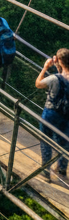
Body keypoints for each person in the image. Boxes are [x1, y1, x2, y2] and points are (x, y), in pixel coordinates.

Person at [35, 48, 69, 182]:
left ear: (59, 61)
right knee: (64, 142)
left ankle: (45, 173)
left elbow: (38, 84)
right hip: (66, 115)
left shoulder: (55, 78)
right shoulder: (60, 75)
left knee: (46, 140)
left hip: (50, 113)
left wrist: (45, 67)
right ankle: (61, 169)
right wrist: (57, 66)